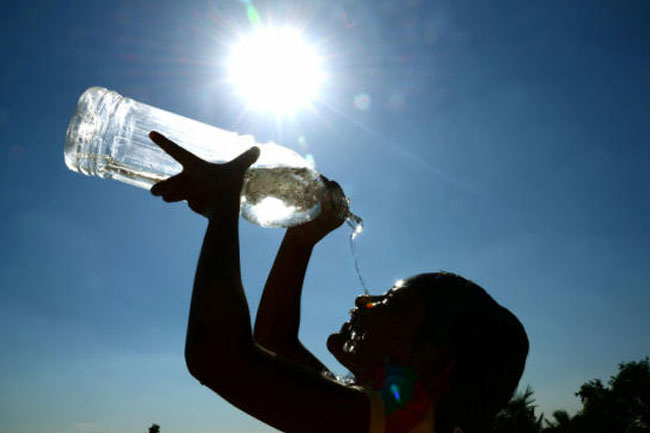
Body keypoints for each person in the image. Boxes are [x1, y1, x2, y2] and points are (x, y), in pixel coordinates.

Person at [148, 131, 529, 433]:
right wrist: (300, 239)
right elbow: (272, 341)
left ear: (435, 364)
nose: (365, 301)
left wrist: (224, 205)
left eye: (391, 303)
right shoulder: (387, 416)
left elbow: (219, 359)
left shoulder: (404, 425)